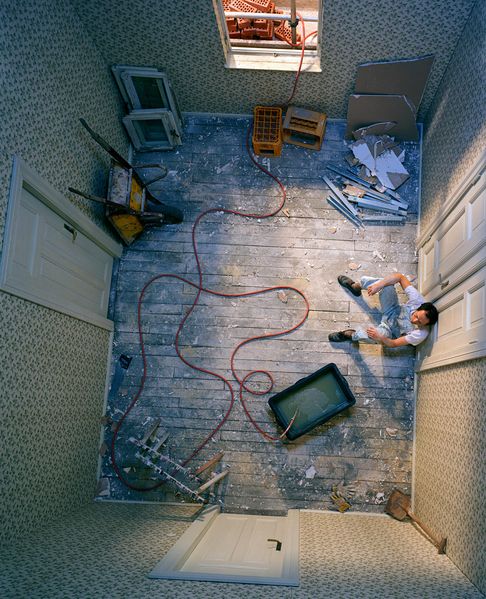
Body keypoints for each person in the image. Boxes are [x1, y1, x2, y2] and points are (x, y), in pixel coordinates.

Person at [328, 273, 438, 348]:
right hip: (392, 309)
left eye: (419, 322)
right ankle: (356, 287)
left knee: (371, 335)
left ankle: (350, 335)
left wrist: (380, 337)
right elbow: (400, 277)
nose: (414, 320)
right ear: (419, 307)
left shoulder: (421, 334)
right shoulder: (418, 300)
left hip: (389, 329)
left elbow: (393, 344)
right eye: (416, 316)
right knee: (385, 284)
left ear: (425, 324)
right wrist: (378, 285)